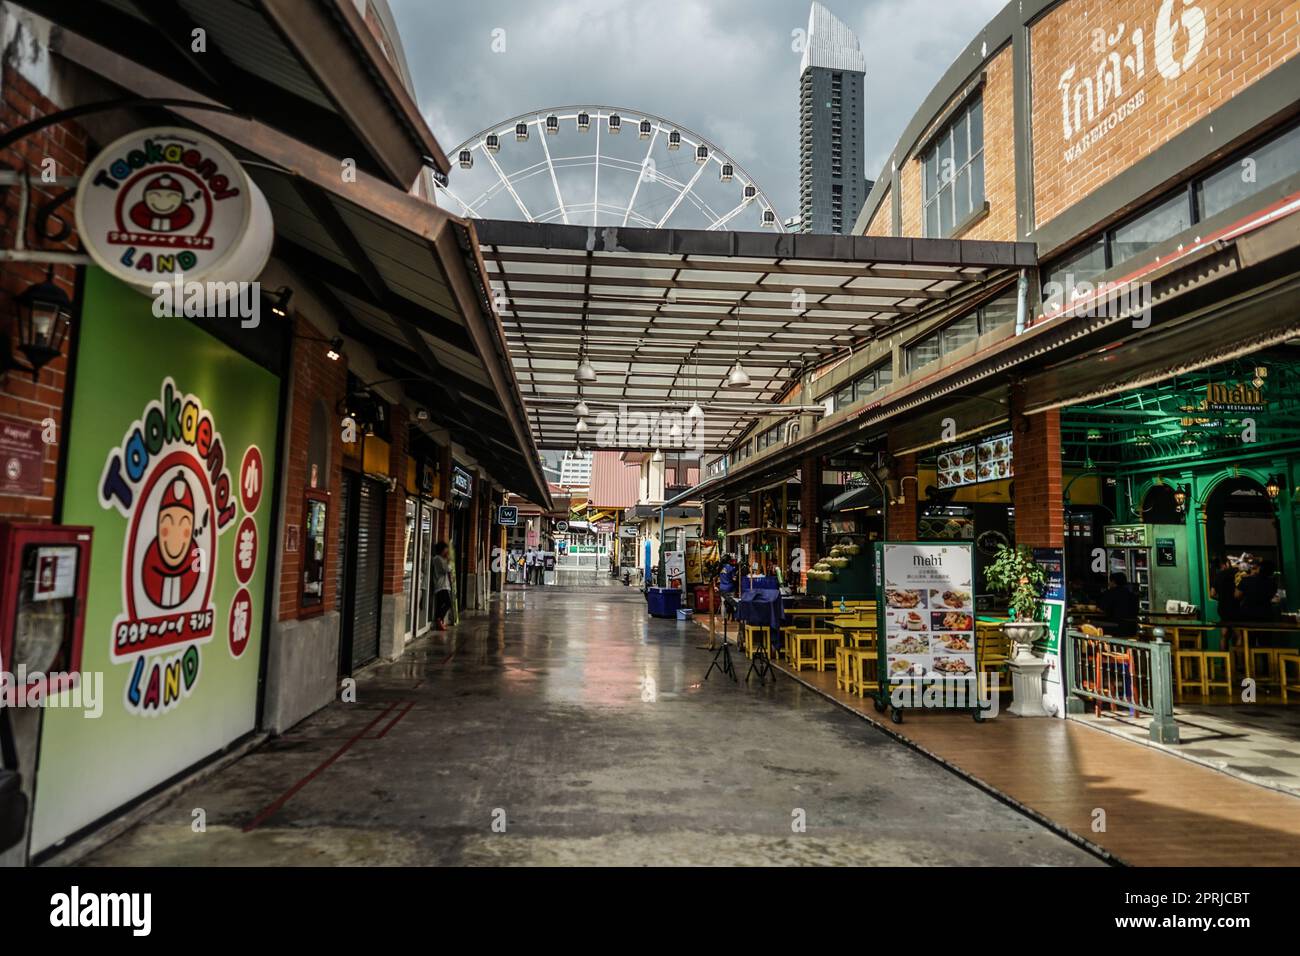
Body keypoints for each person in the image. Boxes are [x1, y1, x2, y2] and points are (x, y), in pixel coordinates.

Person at [1096, 571, 1139, 637]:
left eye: (1110, 581)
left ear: (1113, 582)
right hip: (1132, 627)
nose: (1109, 583)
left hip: (1115, 626)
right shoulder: (1131, 594)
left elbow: (1102, 610)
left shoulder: (1110, 593)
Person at [431, 542, 452, 630]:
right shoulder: (438, 559)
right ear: (442, 550)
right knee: (448, 603)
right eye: (446, 549)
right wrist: (448, 560)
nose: (447, 551)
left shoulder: (440, 559)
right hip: (441, 586)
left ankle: (440, 621)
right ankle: (439, 619)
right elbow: (446, 569)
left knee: (440, 605)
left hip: (444, 585)